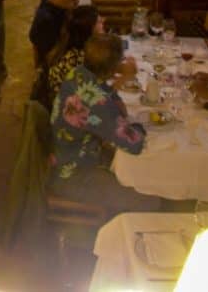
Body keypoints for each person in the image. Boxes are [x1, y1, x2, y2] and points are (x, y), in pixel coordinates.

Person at [48, 33, 159, 212]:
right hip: (74, 176)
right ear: (112, 66)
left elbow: (108, 100)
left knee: (141, 178)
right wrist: (142, 126)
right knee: (150, 199)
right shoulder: (97, 101)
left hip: (68, 157)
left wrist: (122, 76)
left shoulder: (78, 73)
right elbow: (134, 142)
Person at [29, 0, 84, 92]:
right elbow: (48, 58)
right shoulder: (46, 19)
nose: (77, 1)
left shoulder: (59, 9)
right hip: (55, 77)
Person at [45, 5, 105, 110]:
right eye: (99, 22)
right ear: (89, 31)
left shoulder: (72, 47)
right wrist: (122, 80)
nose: (103, 21)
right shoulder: (79, 60)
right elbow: (92, 98)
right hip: (67, 114)